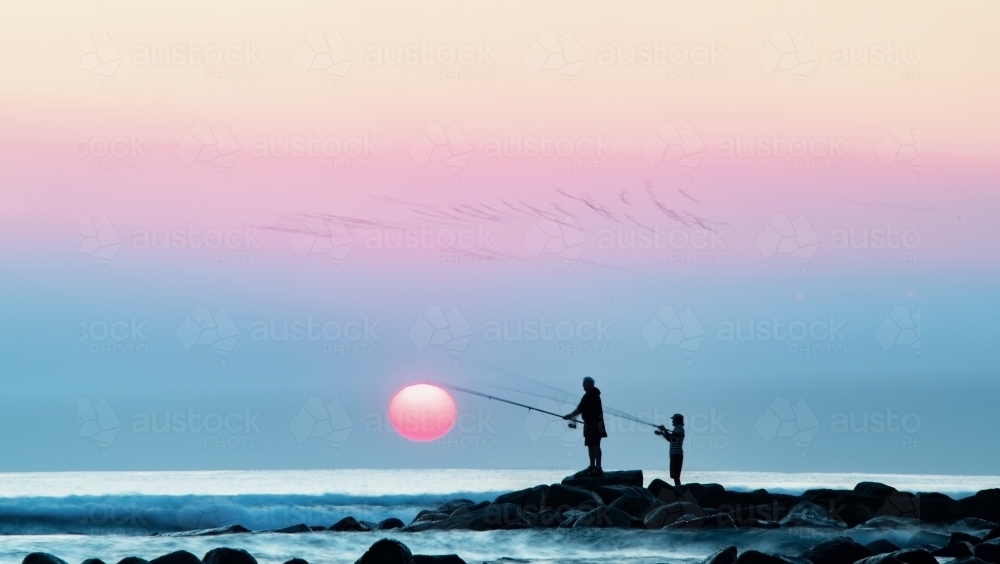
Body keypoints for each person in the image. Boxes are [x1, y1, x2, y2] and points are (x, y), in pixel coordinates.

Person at [563, 376, 607, 475]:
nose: (583, 385)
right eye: (583, 383)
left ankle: (598, 468)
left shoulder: (594, 395)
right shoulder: (586, 396)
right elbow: (580, 408)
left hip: (596, 424)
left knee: (595, 445)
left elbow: (581, 409)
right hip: (588, 424)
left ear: (590, 384)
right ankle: (592, 466)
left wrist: (570, 415)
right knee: (590, 445)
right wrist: (572, 418)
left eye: (585, 383)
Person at [655, 414, 685, 486]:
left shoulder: (678, 428)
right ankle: (678, 488)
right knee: (675, 476)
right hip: (675, 454)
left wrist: (664, 431)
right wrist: (662, 433)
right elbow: (671, 438)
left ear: (677, 420)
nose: (672, 421)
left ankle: (678, 489)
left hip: (676, 454)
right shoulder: (679, 428)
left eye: (673, 420)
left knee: (675, 475)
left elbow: (671, 438)